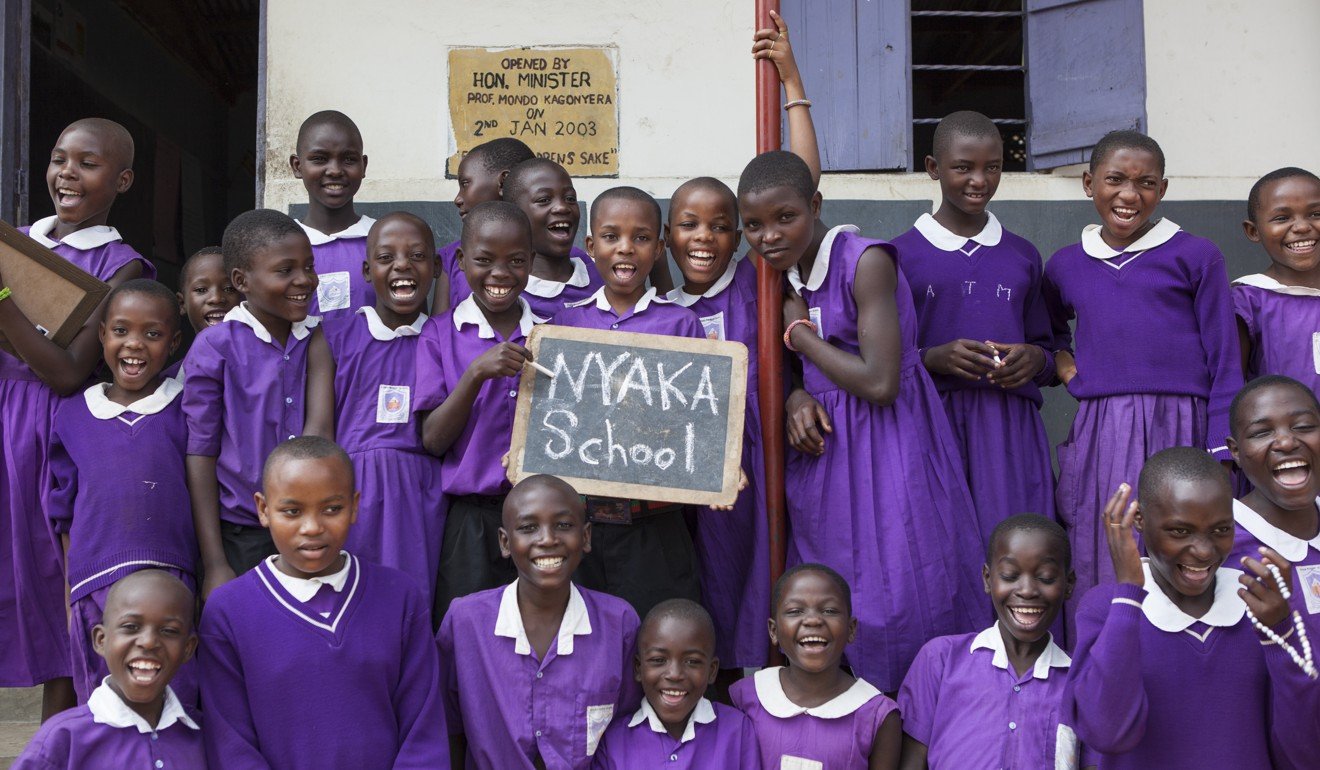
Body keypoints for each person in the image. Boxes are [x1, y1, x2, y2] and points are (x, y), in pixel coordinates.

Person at [741, 149, 984, 691]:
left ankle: (918, 719)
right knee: (835, 586)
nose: (770, 236)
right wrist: (794, 396)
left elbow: (880, 381)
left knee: (904, 584)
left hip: (889, 442)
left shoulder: (865, 258)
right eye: (752, 226)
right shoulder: (779, 275)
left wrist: (800, 334)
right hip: (828, 453)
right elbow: (787, 368)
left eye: (786, 218)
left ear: (815, 205)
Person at [1043, 131, 1243, 619]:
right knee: (1105, 546)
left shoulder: (1195, 255)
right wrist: (1067, 370)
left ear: (1163, 188)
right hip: (1103, 430)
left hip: (1183, 427)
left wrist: (1220, 445)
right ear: (1090, 183)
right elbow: (1046, 335)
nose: (1129, 195)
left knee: (1185, 547)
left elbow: (1225, 358)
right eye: (1115, 180)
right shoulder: (1066, 265)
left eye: (1145, 183)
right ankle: (1109, 661)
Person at [0, 117, 153, 716]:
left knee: (50, 580)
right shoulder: (16, 240)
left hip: (51, 431)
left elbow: (67, 372)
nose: (66, 172)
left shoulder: (122, 266)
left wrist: (5, 306)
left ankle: (56, 738)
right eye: (60, 158)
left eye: (87, 164)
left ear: (122, 180)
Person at [199, 437, 447, 769]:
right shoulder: (228, 612)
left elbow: (423, 732)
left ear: (355, 505)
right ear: (263, 509)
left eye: (332, 509)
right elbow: (230, 745)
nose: (312, 527)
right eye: (292, 511)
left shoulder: (399, 597)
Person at [1065, 448, 1320, 769]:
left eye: (1221, 530)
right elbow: (1108, 733)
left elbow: (1303, 755)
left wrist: (1281, 634)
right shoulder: (1106, 609)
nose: (1202, 551)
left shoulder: (1259, 606)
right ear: (1139, 520)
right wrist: (1128, 595)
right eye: (1180, 531)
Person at [891, 111, 1056, 542]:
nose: (979, 180)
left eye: (993, 167)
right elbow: (880, 359)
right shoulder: (896, 256)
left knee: (1017, 547)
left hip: (1010, 430)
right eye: (963, 167)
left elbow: (1050, 349)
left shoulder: (1022, 255)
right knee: (940, 546)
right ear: (933, 168)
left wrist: (1035, 359)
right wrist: (932, 358)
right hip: (931, 422)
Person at [552, 186, 708, 620]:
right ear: (590, 246)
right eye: (610, 236)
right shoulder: (566, 324)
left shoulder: (680, 325)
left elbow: (699, 421)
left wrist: (719, 462)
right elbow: (551, 420)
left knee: (657, 639)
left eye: (641, 238)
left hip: (655, 525)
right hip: (582, 526)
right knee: (589, 643)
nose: (625, 248)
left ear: (659, 249)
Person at [49, 280, 197, 706]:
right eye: (121, 331)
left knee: (174, 701)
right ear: (102, 336)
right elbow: (64, 516)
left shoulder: (185, 406)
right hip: (95, 588)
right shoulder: (73, 414)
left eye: (152, 334)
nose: (135, 344)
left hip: (170, 580)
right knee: (103, 705)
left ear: (174, 343)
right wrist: (71, 602)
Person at [436, 474, 641, 769]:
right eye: (528, 527)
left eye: (563, 525)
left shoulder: (619, 623)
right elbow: (447, 728)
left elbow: (626, 732)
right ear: (505, 542)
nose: (547, 539)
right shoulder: (465, 622)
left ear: (585, 537)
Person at [184, 209, 335, 597]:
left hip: (307, 530)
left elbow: (319, 434)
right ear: (242, 281)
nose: (304, 280)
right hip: (240, 536)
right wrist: (216, 562)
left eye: (308, 266)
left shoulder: (315, 339)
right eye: (285, 271)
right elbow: (201, 452)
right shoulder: (214, 347)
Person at [417, 201, 544, 619]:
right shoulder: (439, 335)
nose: (500, 274)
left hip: (541, 518)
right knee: (464, 631)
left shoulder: (554, 334)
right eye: (484, 261)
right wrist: (474, 375)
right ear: (460, 261)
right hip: (472, 521)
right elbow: (433, 440)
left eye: (517, 261)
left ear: (532, 260)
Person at [898, 514, 1094, 770]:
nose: (1026, 590)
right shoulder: (941, 660)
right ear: (988, 579)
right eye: (1010, 575)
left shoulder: (1081, 681)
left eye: (1045, 577)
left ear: (1068, 585)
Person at [323, 212, 445, 607]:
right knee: (352, 602)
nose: (402, 266)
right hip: (353, 492)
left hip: (422, 495)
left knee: (415, 603)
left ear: (437, 267)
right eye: (386, 257)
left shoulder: (445, 339)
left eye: (416, 255)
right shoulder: (336, 337)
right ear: (366, 270)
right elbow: (321, 431)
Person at [13, 571, 203, 769]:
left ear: (188, 648)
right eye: (131, 626)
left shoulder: (202, 734)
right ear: (100, 640)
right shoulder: (63, 738)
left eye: (169, 630)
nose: (148, 642)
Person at [730, 564, 901, 770]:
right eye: (795, 611)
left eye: (829, 610)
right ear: (773, 631)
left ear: (851, 629)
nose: (812, 620)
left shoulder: (877, 715)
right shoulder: (746, 696)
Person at [591, 599, 762, 769]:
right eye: (658, 660)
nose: (674, 674)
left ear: (712, 671)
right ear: (638, 668)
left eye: (692, 662)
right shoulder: (614, 741)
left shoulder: (737, 730)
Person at [1226, 375, 1320, 640]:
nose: (1286, 442)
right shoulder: (1218, 546)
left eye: (1303, 426)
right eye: (1261, 433)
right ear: (1235, 451)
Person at [1233, 167, 1320, 391]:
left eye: (1316, 214)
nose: (1302, 227)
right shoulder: (1247, 301)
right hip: (1283, 426)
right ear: (1253, 231)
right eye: (1282, 218)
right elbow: (1231, 385)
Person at [290, 109, 375, 315]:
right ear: (297, 166)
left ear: (363, 166)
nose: (335, 170)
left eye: (348, 159)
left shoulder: (382, 239)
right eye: (319, 159)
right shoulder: (282, 245)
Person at [500, 158, 606, 317]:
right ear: (513, 215)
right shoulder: (507, 293)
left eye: (570, 198)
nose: (562, 207)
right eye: (544, 200)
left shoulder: (601, 276)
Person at [441, 137, 536, 311]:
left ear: (504, 182)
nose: (457, 199)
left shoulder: (557, 260)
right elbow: (440, 328)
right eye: (483, 260)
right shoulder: (453, 257)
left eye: (465, 184)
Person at [168, 245, 241, 381]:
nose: (217, 298)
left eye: (229, 288)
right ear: (182, 303)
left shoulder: (268, 366)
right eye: (201, 290)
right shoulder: (170, 384)